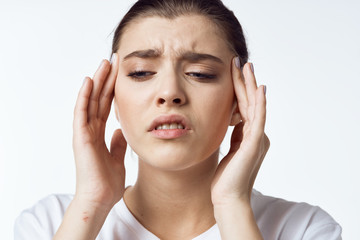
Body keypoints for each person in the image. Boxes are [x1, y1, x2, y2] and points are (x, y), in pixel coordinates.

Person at [14, 0, 342, 239]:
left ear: (240, 101)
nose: (170, 92)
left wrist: (232, 205)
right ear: (112, 96)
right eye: (141, 72)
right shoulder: (50, 223)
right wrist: (92, 204)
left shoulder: (303, 229)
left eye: (200, 74)